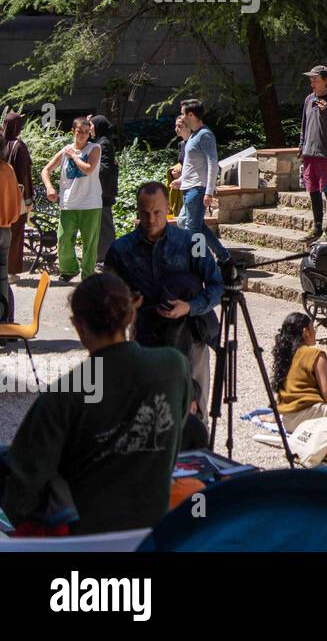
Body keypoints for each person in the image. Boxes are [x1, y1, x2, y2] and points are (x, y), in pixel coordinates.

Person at [0, 273, 190, 535]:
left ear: (78, 326)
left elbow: (23, 487)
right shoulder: (174, 366)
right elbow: (176, 427)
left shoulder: (64, 395)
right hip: (151, 528)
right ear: (132, 315)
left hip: (84, 539)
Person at [104, 181, 224, 414]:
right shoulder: (120, 250)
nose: (151, 220)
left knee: (193, 414)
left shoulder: (193, 242)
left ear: (168, 207)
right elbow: (105, 295)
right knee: (149, 413)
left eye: (157, 212)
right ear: (137, 211)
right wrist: (125, 303)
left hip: (191, 336)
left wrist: (189, 307)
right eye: (145, 213)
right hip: (145, 338)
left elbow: (217, 285)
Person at [40, 117, 102, 282]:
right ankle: (69, 269)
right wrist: (49, 187)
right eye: (79, 131)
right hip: (69, 203)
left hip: (90, 204)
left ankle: (88, 274)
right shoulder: (65, 150)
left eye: (86, 132)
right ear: (73, 131)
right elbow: (46, 170)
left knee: (90, 243)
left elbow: (88, 169)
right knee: (64, 238)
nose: (82, 135)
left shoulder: (94, 148)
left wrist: (75, 157)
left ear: (90, 133)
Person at [174, 99, 229, 264]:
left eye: (183, 114)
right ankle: (224, 257)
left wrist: (209, 191)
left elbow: (213, 163)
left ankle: (197, 263)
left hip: (197, 190)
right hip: (189, 188)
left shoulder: (205, 135)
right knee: (193, 225)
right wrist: (181, 180)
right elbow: (192, 166)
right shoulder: (193, 136)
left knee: (193, 230)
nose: (182, 117)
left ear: (191, 114)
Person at [298, 64, 327, 242]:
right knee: (313, 191)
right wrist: (302, 145)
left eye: (315, 80)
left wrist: (326, 112)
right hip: (310, 154)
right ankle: (317, 228)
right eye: (311, 80)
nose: (312, 84)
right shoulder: (309, 99)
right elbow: (304, 124)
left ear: (326, 81)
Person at [2, 110, 33, 279]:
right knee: (16, 233)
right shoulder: (18, 146)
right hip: (16, 197)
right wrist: (28, 200)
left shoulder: (1, 144)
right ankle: (11, 272)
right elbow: (24, 175)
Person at [89, 114, 118, 266]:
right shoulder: (101, 141)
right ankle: (103, 256)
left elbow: (105, 167)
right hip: (102, 191)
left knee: (105, 225)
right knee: (102, 225)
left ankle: (108, 257)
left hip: (103, 192)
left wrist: (89, 170)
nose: (90, 129)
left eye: (92, 126)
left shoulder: (104, 143)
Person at [0, 154, 21, 321]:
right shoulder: (8, 169)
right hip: (5, 230)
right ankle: (6, 322)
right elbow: (17, 204)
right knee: (2, 279)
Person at [168, 114, 189, 216]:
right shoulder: (181, 144)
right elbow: (182, 163)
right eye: (176, 126)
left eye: (180, 126)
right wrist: (175, 171)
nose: (177, 129)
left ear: (188, 127)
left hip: (192, 185)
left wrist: (181, 175)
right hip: (182, 183)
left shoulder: (195, 144)